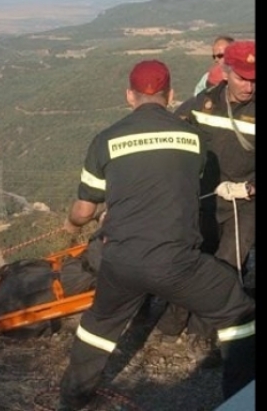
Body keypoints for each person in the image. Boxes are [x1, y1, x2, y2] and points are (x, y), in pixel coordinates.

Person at [57, 60, 255, 411]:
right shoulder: (193, 140)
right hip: (177, 261)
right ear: (171, 95)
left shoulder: (106, 140)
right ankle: (240, 395)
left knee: (98, 326)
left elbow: (85, 210)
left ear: (128, 95)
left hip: (120, 259)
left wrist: (72, 225)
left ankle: (73, 397)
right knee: (236, 310)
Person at [155, 41, 256, 348]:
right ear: (226, 72)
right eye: (242, 78)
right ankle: (173, 321)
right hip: (205, 198)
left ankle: (205, 334)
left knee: (227, 266)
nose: (249, 86)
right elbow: (170, 133)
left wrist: (249, 188)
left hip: (245, 203)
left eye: (254, 79)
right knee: (192, 260)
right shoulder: (203, 104)